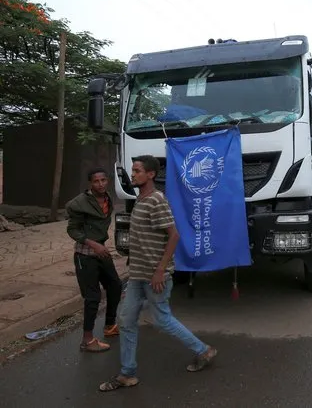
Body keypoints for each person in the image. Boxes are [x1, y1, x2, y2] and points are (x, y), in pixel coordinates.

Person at [99, 155, 216, 392]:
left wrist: (160, 271)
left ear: (151, 174)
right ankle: (127, 374)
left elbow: (174, 235)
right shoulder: (140, 200)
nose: (133, 174)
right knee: (126, 320)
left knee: (162, 319)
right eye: (132, 171)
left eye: (137, 171)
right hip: (137, 276)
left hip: (155, 276)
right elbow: (141, 241)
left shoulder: (156, 200)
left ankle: (203, 350)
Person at [66, 168, 122, 352]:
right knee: (92, 298)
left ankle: (110, 325)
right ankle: (87, 340)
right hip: (85, 255)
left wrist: (101, 246)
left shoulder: (107, 199)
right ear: (91, 183)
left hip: (102, 252)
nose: (101, 184)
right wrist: (93, 244)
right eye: (96, 181)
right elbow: (72, 230)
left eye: (103, 180)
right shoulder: (78, 203)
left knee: (115, 285)